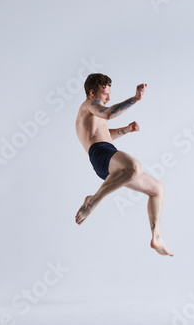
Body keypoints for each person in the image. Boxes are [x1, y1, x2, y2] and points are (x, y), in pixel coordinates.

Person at [75, 73, 173, 256]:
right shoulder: (89, 104)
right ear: (91, 93)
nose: (108, 98)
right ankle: (93, 200)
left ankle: (156, 236)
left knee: (157, 189)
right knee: (135, 167)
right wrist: (136, 99)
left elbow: (104, 135)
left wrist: (126, 130)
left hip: (106, 154)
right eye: (105, 95)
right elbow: (109, 113)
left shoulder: (94, 113)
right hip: (100, 153)